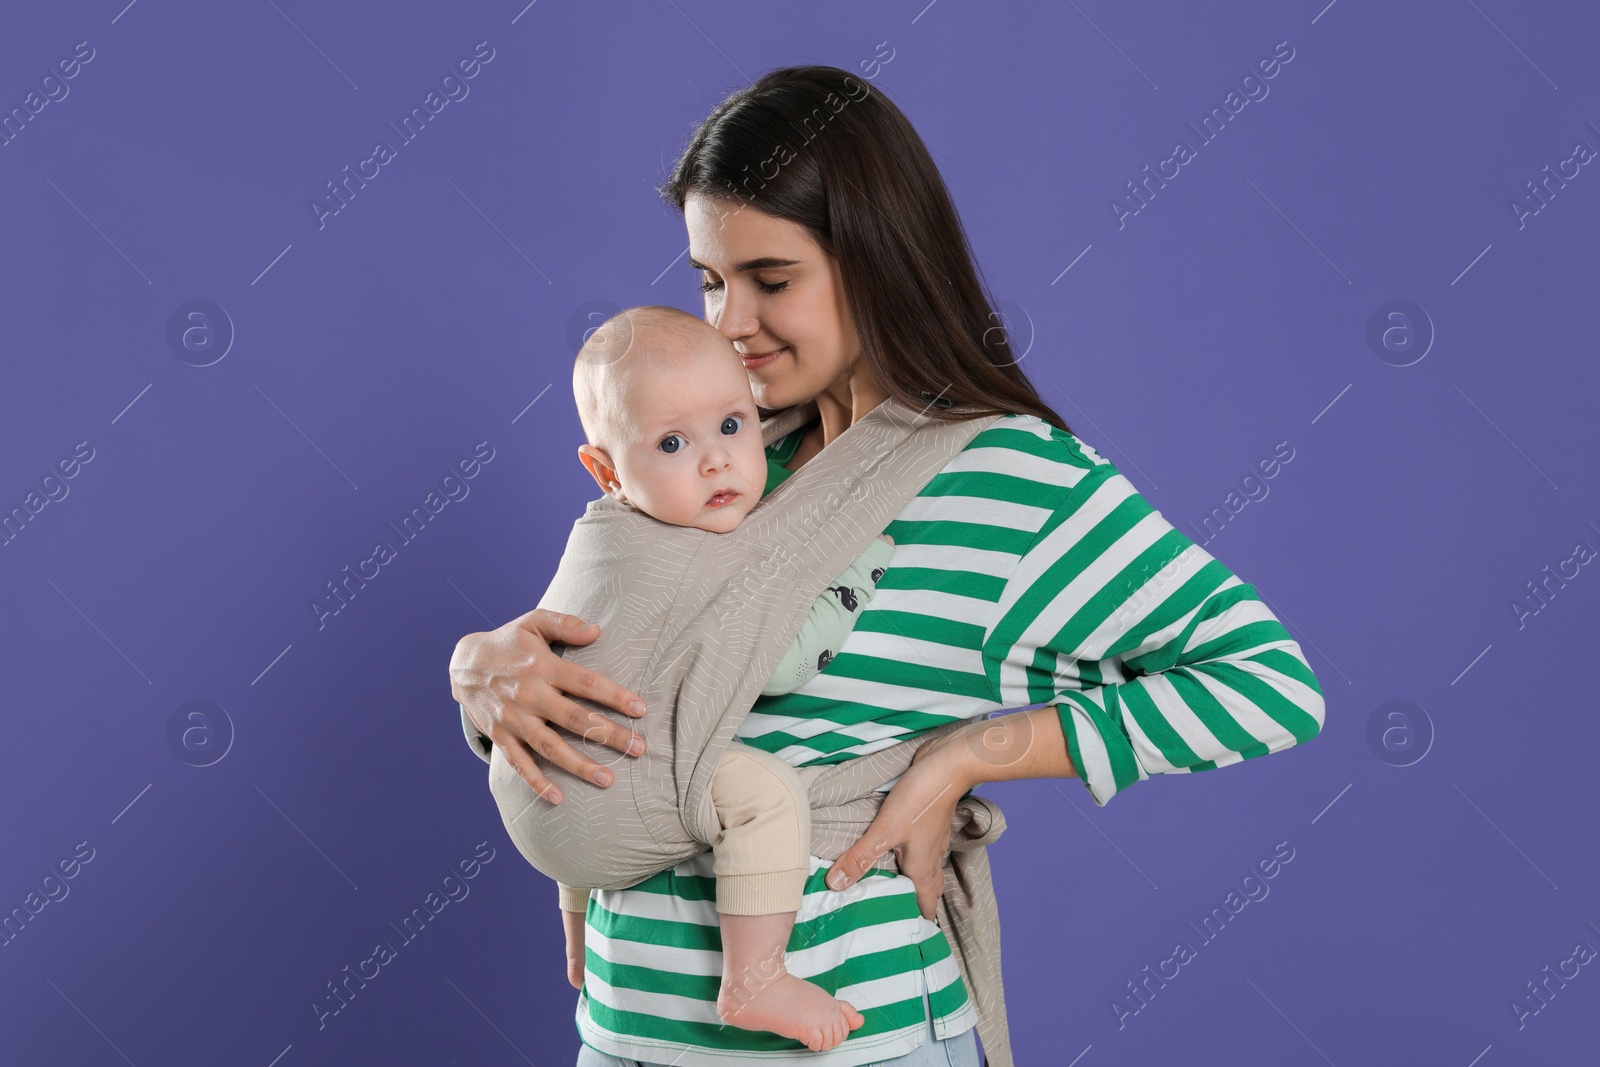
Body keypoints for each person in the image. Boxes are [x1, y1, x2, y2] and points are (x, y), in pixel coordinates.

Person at [452, 65, 1326, 1067]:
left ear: (874, 258)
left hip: (850, 1039)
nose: (729, 321)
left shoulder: (1005, 478)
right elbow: (619, 683)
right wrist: (483, 673)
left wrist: (963, 755)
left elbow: (1269, 686)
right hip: (629, 1028)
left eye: (770, 279)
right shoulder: (721, 454)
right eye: (707, 278)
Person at [553, 302, 898, 1050]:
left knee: (573, 762)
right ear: (607, 470)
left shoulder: (602, 538)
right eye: (673, 442)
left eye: (733, 426)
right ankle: (755, 978)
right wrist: (856, 569)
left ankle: (578, 928)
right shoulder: (678, 553)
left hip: (568, 785)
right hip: (632, 767)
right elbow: (774, 661)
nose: (715, 459)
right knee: (765, 792)